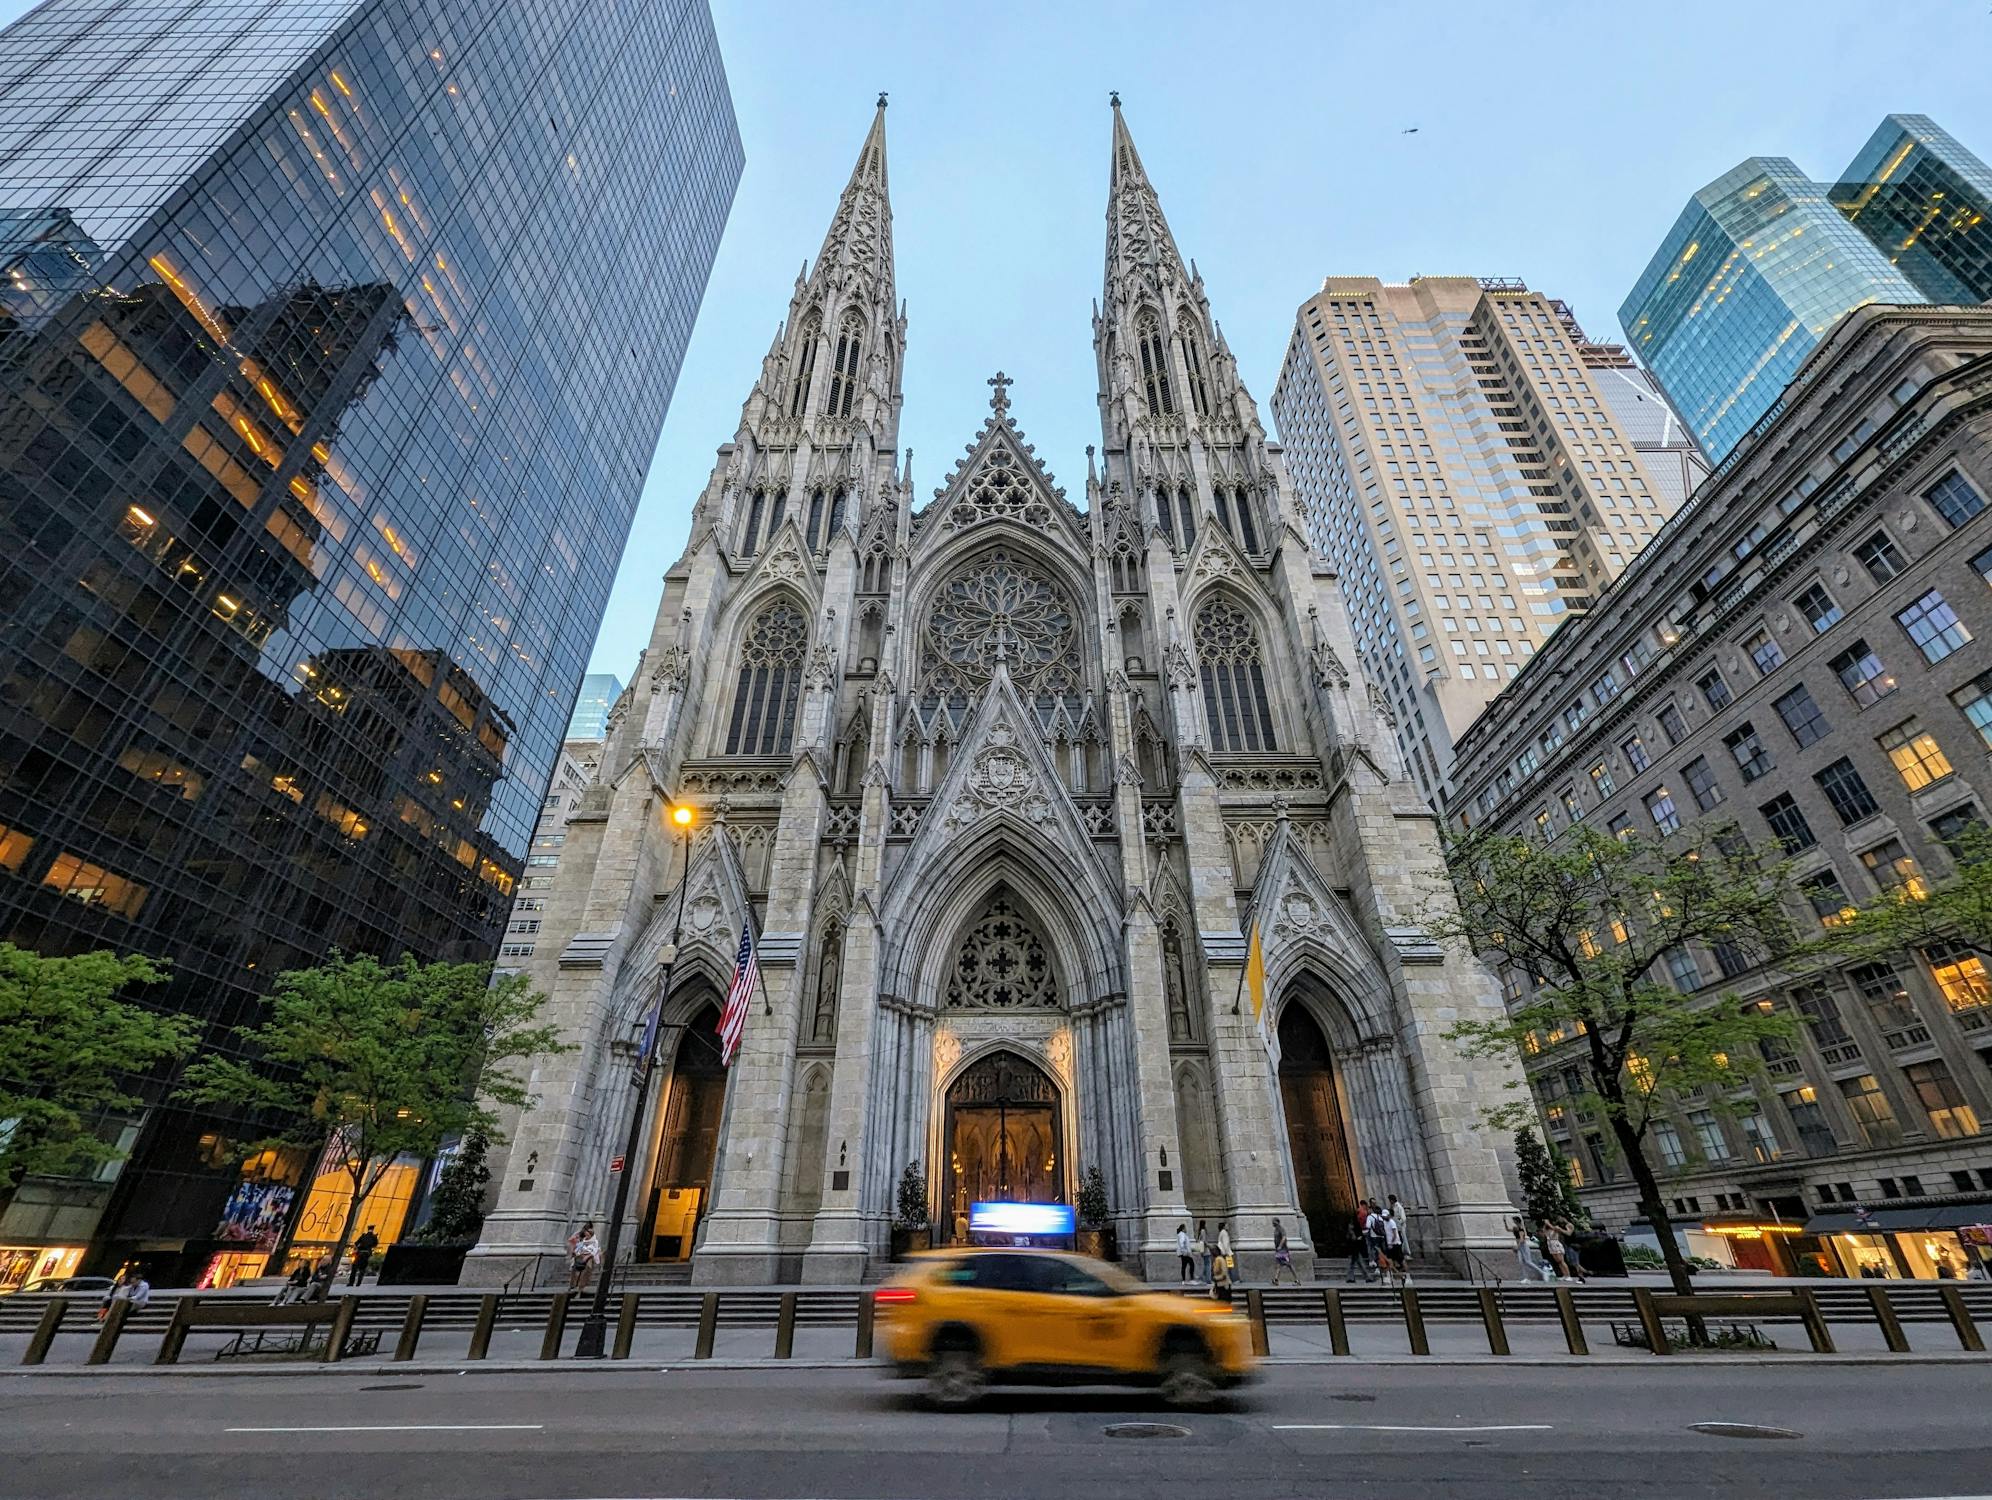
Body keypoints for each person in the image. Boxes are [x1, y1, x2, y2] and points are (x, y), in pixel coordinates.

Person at [1345, 1199, 1376, 1283]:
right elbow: (1351, 1232)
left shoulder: (1355, 1222)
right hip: (1354, 1244)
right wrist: (1357, 1237)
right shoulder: (1353, 1223)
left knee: (1353, 1262)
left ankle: (1350, 1277)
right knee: (1358, 1262)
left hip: (1354, 1245)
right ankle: (1367, 1276)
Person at [568, 1221, 602, 1291]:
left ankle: (580, 1287)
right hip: (580, 1257)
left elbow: (595, 1249)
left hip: (587, 1257)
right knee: (577, 1271)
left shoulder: (593, 1240)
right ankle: (574, 1285)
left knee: (584, 1272)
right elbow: (574, 1243)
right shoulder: (581, 1237)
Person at [1513, 1218, 1548, 1283]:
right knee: (1521, 1262)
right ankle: (1525, 1278)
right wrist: (1504, 1222)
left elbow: (1522, 1239)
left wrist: (1517, 1246)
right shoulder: (1515, 1229)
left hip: (1523, 1246)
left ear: (1517, 1222)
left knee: (1528, 1262)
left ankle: (1542, 1272)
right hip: (1519, 1247)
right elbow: (1508, 1229)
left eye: (1514, 1221)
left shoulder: (1521, 1230)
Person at [1270, 1219, 1299, 1286]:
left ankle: (1297, 1280)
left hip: (1283, 1250)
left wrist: (1280, 1246)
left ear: (1277, 1222)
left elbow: (1284, 1237)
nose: (1272, 1223)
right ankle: (1276, 1280)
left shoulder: (1281, 1229)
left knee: (1289, 1265)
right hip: (1279, 1251)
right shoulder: (1276, 1229)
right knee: (1278, 1265)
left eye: (1274, 1222)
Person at [1387, 1193, 1409, 1259]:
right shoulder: (1392, 1206)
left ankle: (1406, 1253)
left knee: (1403, 1239)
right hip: (1395, 1226)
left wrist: (1399, 1222)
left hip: (1400, 1226)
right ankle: (1401, 1253)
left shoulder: (1398, 1206)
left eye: (1390, 1200)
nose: (1390, 1201)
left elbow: (1403, 1217)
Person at [1215, 1222, 1234, 1287]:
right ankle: (1230, 1279)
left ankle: (1229, 1279)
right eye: (1226, 1225)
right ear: (1224, 1226)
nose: (1228, 1226)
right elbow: (1225, 1244)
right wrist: (1227, 1253)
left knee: (1227, 1267)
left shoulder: (1221, 1233)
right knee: (1229, 1266)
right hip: (1227, 1252)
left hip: (1224, 1252)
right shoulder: (1224, 1233)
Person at [1193, 1220, 1211, 1285]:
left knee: (1205, 1264)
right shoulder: (1203, 1231)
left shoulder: (1200, 1231)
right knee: (1208, 1265)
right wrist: (1209, 1245)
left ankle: (1203, 1278)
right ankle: (1208, 1279)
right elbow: (1204, 1241)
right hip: (1205, 1250)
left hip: (1202, 1250)